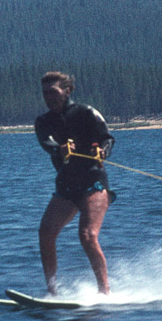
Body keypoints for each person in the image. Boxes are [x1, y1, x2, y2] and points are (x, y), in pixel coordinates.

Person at [34, 71, 115, 295]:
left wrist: (102, 151)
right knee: (46, 233)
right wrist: (58, 149)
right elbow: (47, 142)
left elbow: (107, 138)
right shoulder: (43, 121)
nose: (48, 97)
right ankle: (52, 292)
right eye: (44, 94)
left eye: (53, 92)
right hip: (67, 186)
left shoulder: (86, 112)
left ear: (67, 91)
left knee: (87, 235)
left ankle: (104, 292)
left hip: (93, 183)